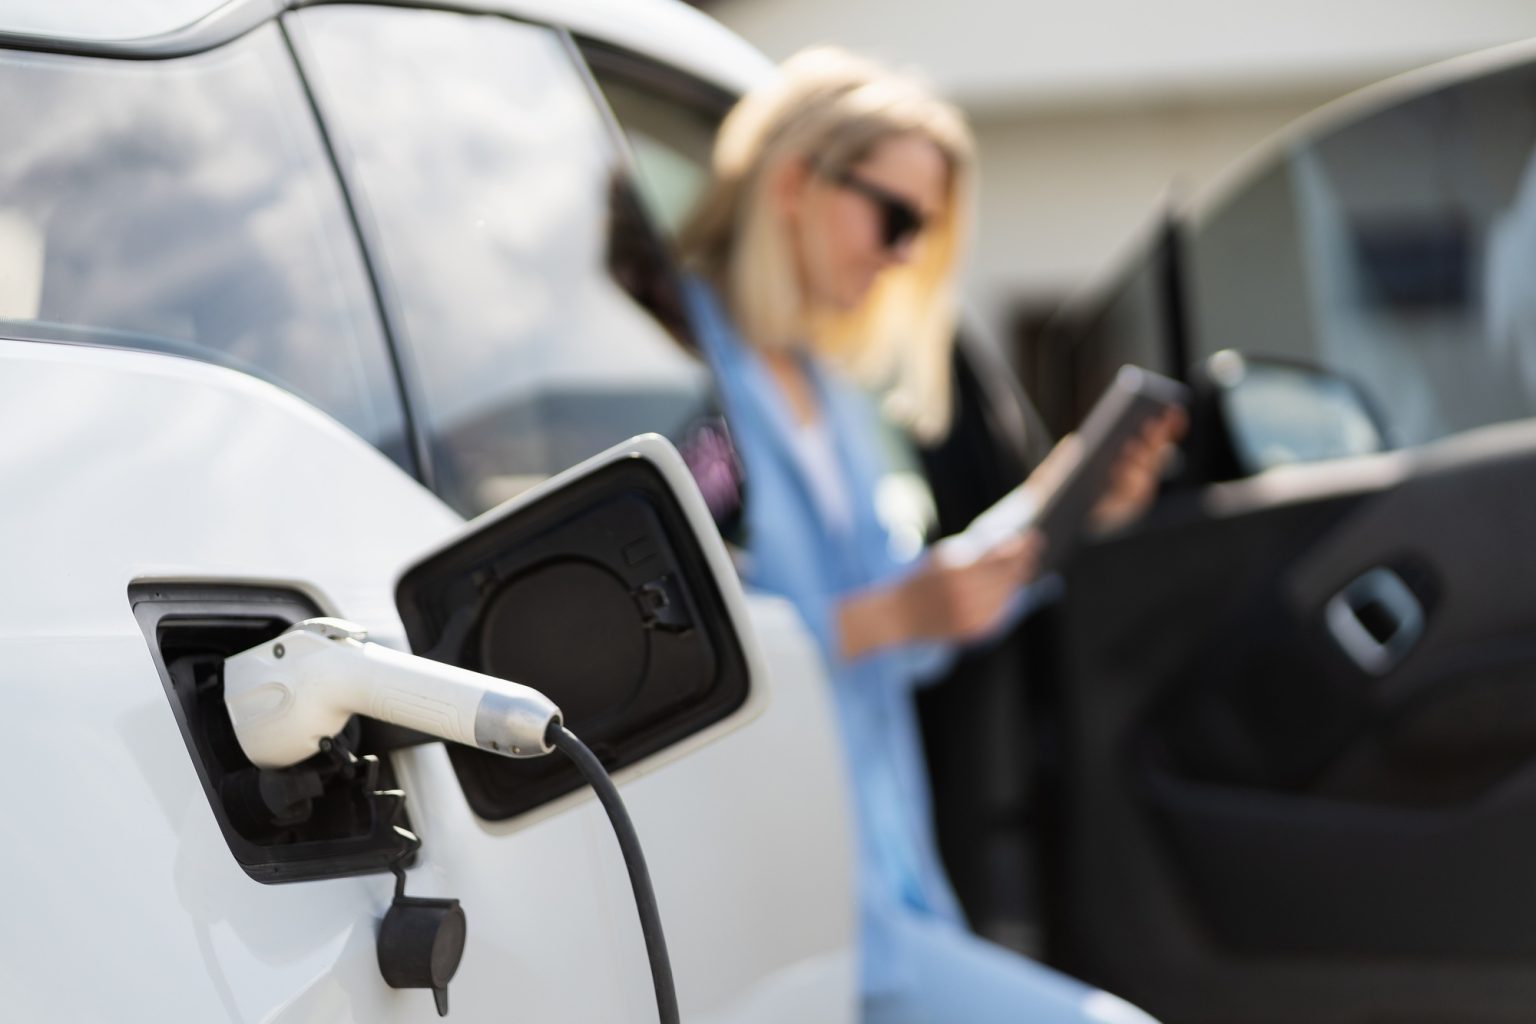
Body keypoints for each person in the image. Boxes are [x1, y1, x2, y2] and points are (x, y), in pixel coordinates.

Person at [676, 46, 1181, 1024]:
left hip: (886, 891)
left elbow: (899, 617)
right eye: (897, 216)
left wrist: (1057, 507)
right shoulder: (679, 370)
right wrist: (884, 616)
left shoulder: (826, 387)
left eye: (926, 228)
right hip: (776, 902)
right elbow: (672, 642)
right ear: (793, 182)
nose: (907, 254)